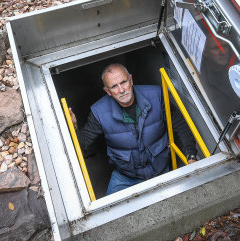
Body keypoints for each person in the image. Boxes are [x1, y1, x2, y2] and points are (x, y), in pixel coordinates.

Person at [69, 63, 198, 195]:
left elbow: (179, 124)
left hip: (160, 169)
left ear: (131, 80)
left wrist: (191, 155)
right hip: (125, 176)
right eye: (114, 86)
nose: (121, 90)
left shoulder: (156, 95)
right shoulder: (99, 112)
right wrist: (73, 126)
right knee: (111, 212)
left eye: (123, 82)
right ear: (107, 91)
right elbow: (83, 144)